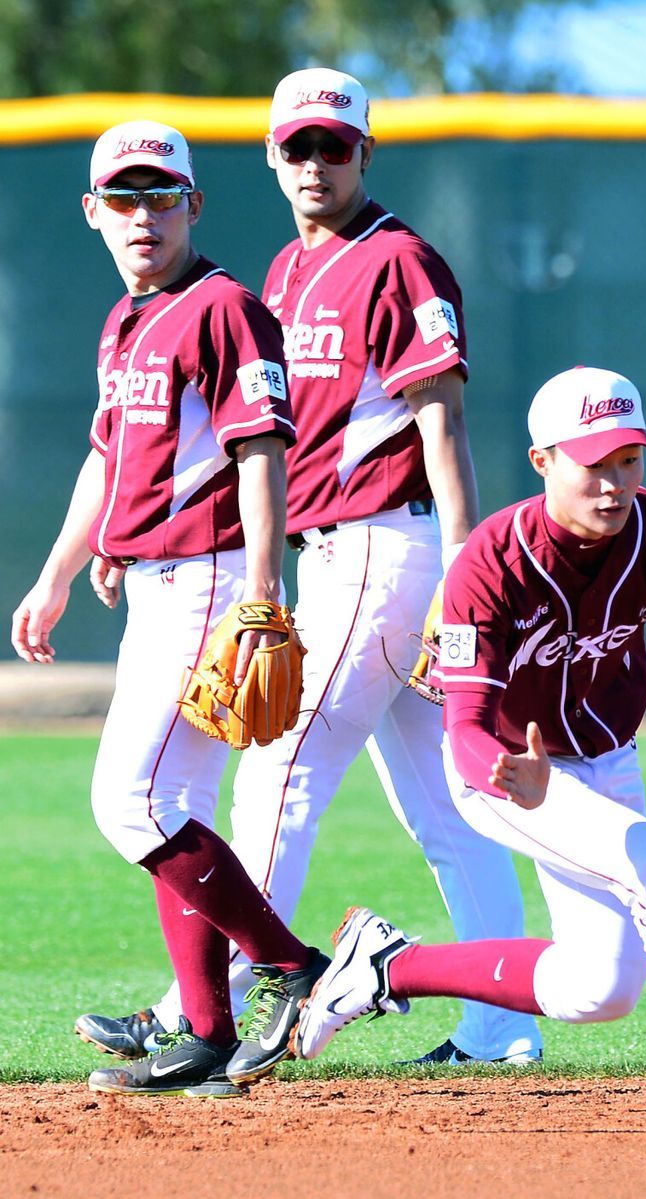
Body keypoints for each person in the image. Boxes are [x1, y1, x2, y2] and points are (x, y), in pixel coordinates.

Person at [75, 70, 541, 1067]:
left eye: (335, 145)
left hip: (386, 545)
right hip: (334, 547)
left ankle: (228, 1000)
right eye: (298, 147)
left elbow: (442, 416)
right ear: (273, 157)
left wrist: (464, 566)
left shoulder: (401, 259)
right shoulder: (285, 270)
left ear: (365, 152)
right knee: (447, 801)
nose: (316, 164)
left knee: (276, 771)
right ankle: (502, 1024)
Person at [293, 366, 646, 1140]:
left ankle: (386, 966)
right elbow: (462, 724)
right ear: (544, 461)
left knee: (601, 988)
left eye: (628, 458)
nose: (614, 481)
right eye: (592, 460)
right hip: (503, 774)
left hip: (605, 758)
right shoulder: (487, 560)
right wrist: (509, 773)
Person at [11, 120, 330, 1097]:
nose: (142, 215)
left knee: (130, 801)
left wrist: (264, 590)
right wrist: (66, 566)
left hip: (210, 577)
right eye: (123, 198)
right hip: (150, 579)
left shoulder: (224, 306)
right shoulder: (125, 319)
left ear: (192, 204)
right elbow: (111, 456)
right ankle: (204, 1028)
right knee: (175, 806)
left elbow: (260, 452)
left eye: (160, 196)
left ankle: (288, 962)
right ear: (92, 213)